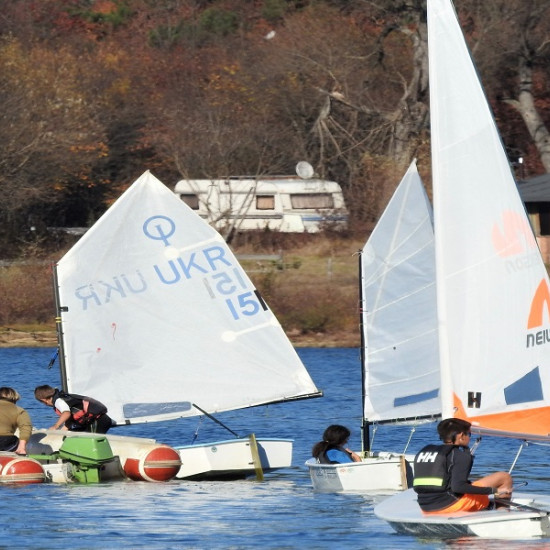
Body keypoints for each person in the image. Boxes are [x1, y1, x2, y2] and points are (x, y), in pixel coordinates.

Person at [413, 418, 513, 514]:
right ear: (461, 436)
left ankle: (486, 506)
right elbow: (458, 487)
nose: (469, 437)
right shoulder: (460, 455)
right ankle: (502, 511)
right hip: (450, 506)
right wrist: (495, 490)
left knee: (471, 486)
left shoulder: (425, 452)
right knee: (504, 477)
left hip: (426, 508)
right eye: (469, 434)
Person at [34, 385, 113, 434]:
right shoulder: (62, 399)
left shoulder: (59, 401)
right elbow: (70, 419)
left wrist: (55, 426)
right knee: (75, 434)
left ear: (44, 400)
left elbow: (66, 413)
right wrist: (60, 433)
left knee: (88, 441)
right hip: (94, 421)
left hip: (98, 421)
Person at [0, 387, 32, 454]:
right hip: (6, 441)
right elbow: (25, 428)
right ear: (15, 399)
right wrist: (22, 448)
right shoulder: (19, 410)